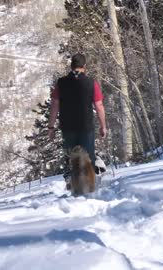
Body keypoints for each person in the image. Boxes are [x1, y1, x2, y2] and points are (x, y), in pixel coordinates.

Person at [48, 53, 107, 185]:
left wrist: (51, 127)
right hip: (86, 126)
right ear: (84, 66)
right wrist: (103, 126)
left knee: (71, 157)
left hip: (67, 127)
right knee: (89, 156)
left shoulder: (61, 83)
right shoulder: (92, 83)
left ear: (71, 66)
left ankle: (72, 185)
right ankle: (90, 186)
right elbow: (99, 105)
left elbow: (55, 105)